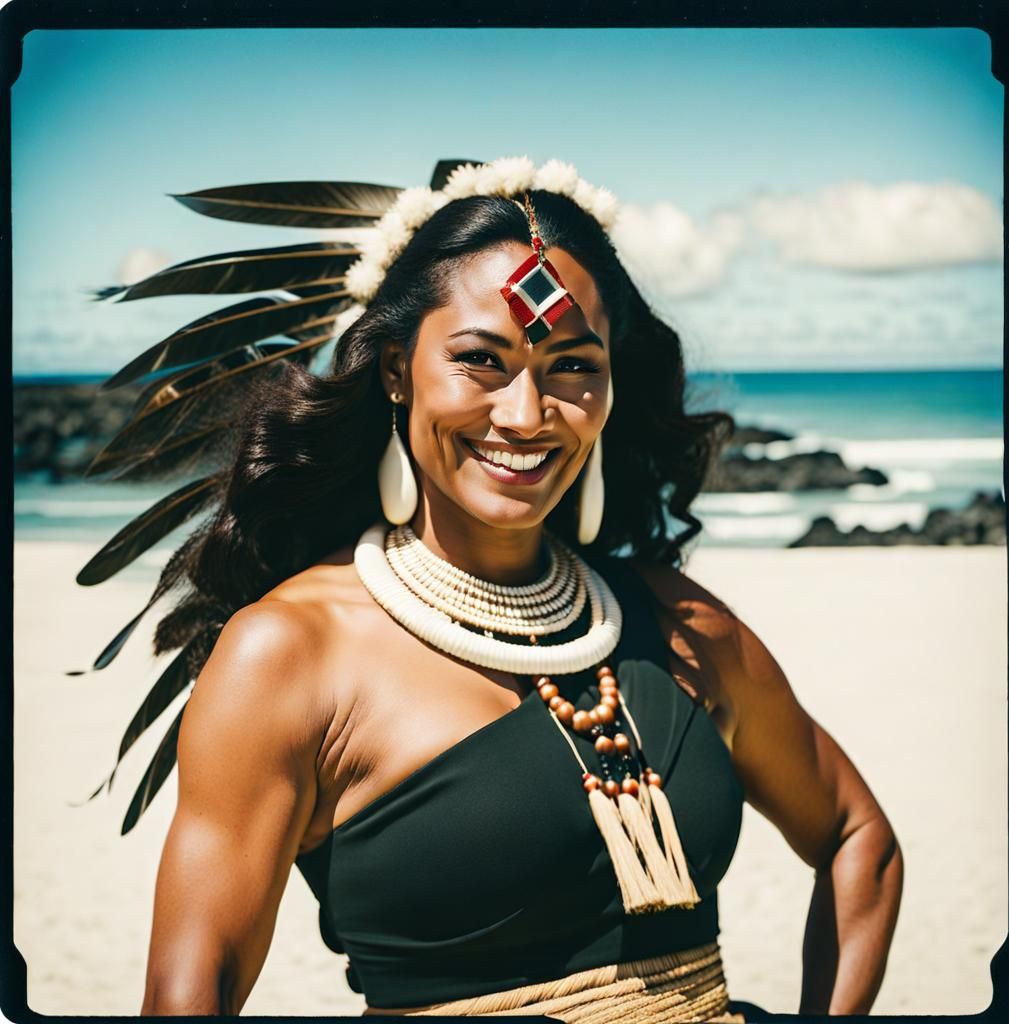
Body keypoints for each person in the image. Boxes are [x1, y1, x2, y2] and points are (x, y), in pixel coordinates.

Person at [80, 158, 902, 1019]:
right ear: (397, 371)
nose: (526, 413)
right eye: (481, 360)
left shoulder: (682, 623)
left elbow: (859, 841)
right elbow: (190, 991)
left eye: (573, 365)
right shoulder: (289, 655)